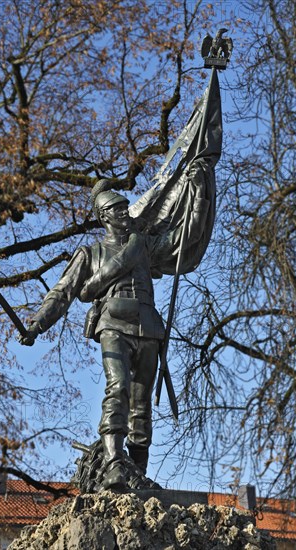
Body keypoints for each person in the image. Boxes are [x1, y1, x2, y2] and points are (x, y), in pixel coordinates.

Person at [20, 176, 209, 491]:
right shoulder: (90, 254)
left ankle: (136, 471)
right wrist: (37, 324)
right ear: (103, 216)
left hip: (149, 327)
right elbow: (62, 293)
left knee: (141, 402)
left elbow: (182, 238)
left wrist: (198, 193)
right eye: (118, 210)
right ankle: (113, 466)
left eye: (125, 208)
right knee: (118, 385)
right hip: (113, 323)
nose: (126, 214)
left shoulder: (143, 245)